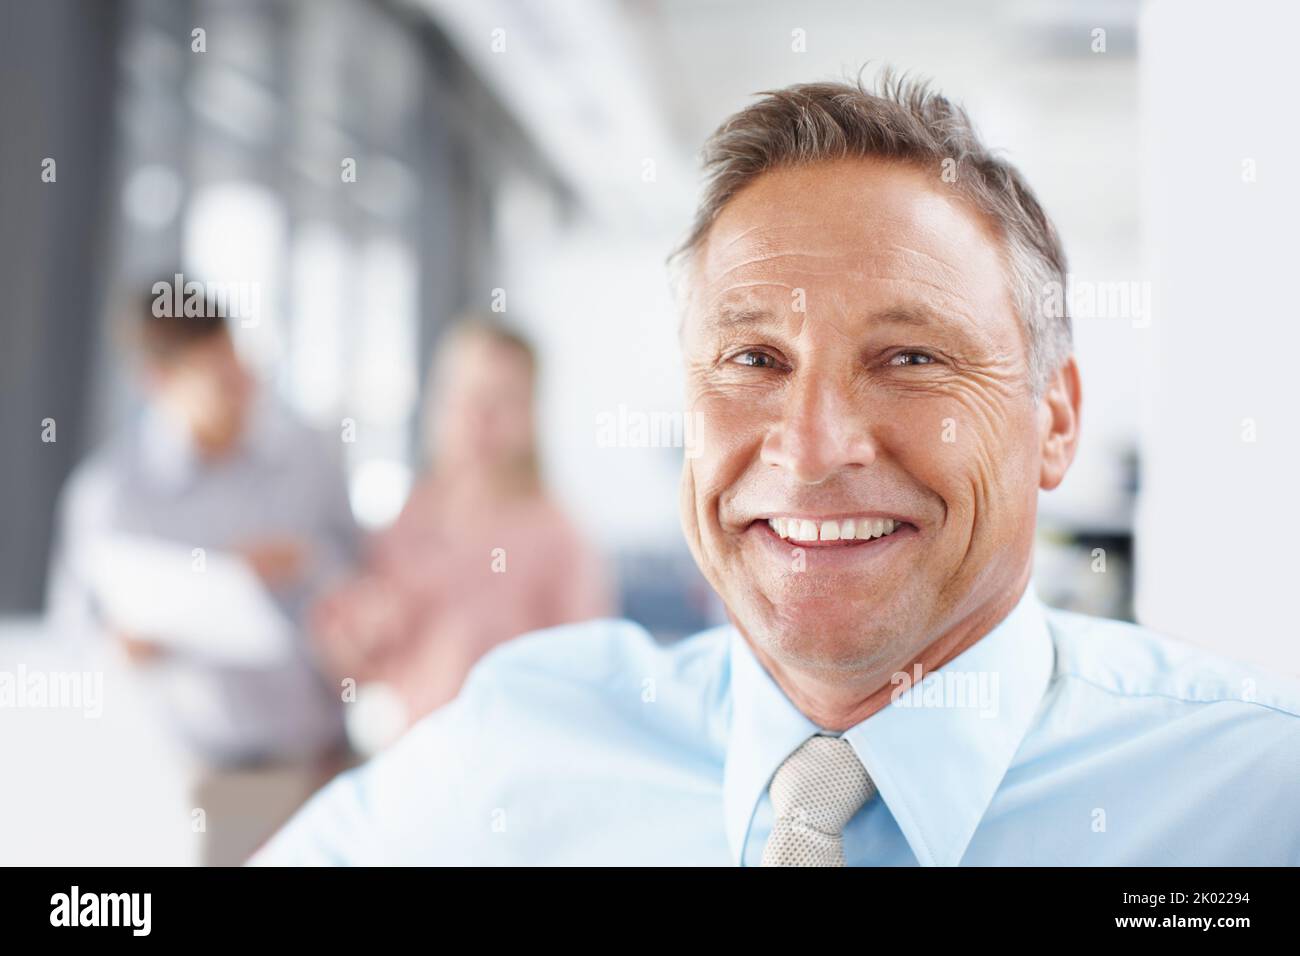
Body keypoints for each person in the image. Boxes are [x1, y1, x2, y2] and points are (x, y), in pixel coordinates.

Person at [251, 71, 1300, 866]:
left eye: (910, 357)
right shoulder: (518, 743)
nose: (809, 446)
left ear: (1055, 417)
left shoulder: (1254, 796)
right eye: (754, 359)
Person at [46, 284, 359, 865]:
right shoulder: (112, 497)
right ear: (158, 382)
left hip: (333, 759)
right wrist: (121, 649)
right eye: (219, 380)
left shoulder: (307, 455)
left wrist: (308, 565)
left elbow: (358, 564)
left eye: (241, 369)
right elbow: (76, 636)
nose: (243, 393)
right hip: (226, 779)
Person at [310, 318, 615, 731]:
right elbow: (366, 666)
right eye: (463, 396)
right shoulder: (413, 515)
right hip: (414, 762)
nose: (477, 417)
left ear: (529, 414)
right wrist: (353, 636)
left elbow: (589, 685)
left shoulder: (558, 538)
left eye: (500, 400)